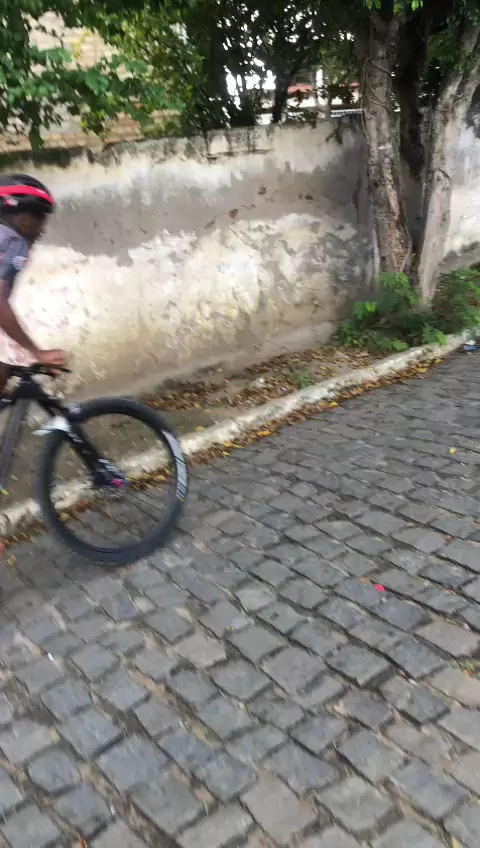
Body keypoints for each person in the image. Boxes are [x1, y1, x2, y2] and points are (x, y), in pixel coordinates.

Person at [0, 174, 67, 394]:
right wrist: (37, 353)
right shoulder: (13, 241)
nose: (41, 231)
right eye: (41, 220)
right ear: (25, 220)